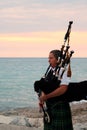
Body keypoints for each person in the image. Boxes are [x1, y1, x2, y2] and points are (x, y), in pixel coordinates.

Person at [39, 50, 73, 130]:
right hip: (50, 107)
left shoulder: (63, 71)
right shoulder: (50, 70)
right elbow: (44, 84)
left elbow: (63, 89)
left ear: (58, 59)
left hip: (60, 105)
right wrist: (42, 95)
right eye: (48, 58)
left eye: (51, 58)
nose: (48, 60)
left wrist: (47, 96)